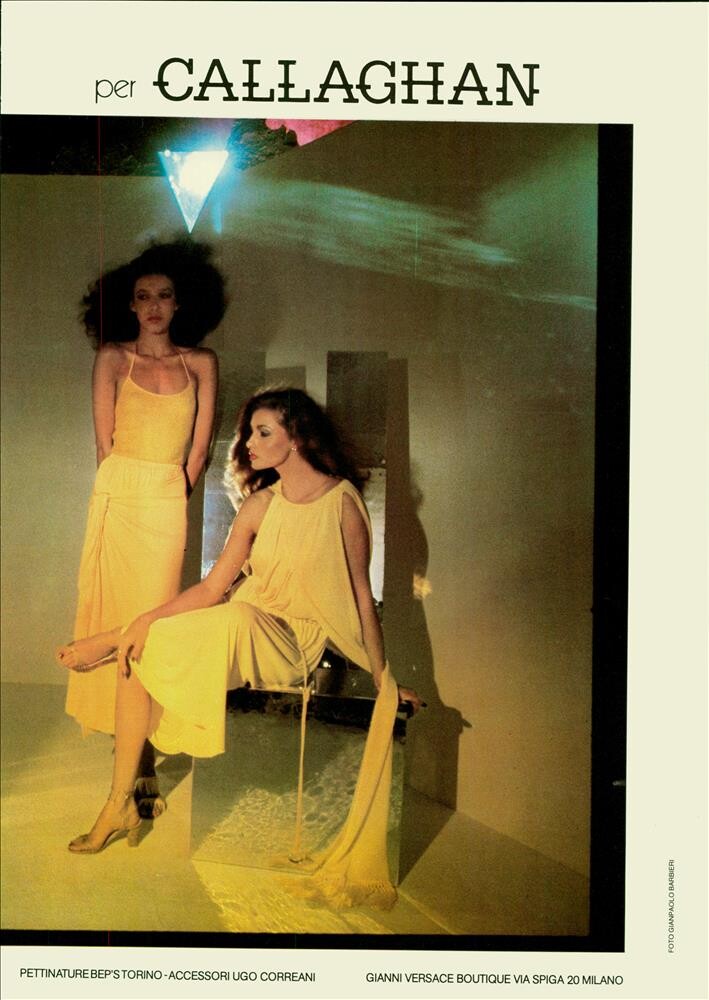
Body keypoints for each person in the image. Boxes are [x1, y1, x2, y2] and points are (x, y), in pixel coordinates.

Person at [57, 388, 422, 908]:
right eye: (250, 432)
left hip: (291, 641)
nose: (249, 442)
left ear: (297, 438)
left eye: (263, 432)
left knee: (230, 616)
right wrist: (145, 620)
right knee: (147, 642)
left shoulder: (341, 504)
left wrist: (384, 679)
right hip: (240, 620)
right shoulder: (260, 505)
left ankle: (111, 639)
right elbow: (212, 588)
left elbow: (361, 598)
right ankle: (119, 801)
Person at [63, 240, 225, 817]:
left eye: (164, 295)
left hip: (165, 501)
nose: (154, 306)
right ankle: (134, 763)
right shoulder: (113, 358)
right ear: (129, 305)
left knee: (149, 627)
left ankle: (144, 755)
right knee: (116, 622)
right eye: (143, 296)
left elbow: (199, 452)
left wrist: (169, 498)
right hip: (118, 498)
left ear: (180, 303)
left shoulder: (200, 363)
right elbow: (103, 445)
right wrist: (121, 497)